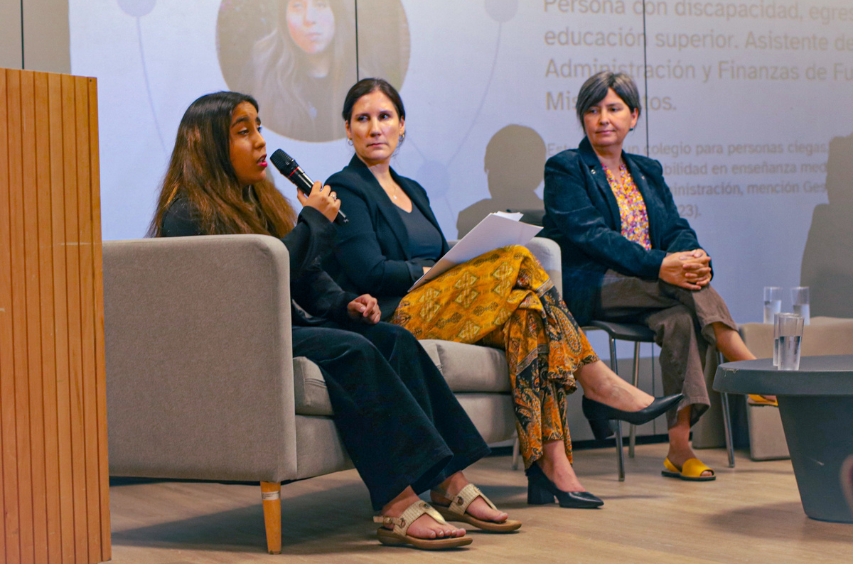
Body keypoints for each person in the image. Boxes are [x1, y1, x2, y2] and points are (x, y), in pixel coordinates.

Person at [148, 91, 523, 550]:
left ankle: (449, 481)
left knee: (391, 338)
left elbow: (304, 278)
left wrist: (346, 303)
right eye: (243, 132)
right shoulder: (187, 213)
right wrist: (313, 225)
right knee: (353, 350)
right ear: (207, 146)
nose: (261, 143)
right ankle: (395, 504)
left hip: (280, 329)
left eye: (259, 128)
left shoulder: (258, 200)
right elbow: (253, 282)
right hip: (239, 341)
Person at [324, 78, 682, 508]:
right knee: (517, 257)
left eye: (385, 117)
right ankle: (595, 377)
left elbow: (443, 256)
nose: (375, 128)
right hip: (393, 315)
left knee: (528, 317)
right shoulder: (346, 187)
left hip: (438, 306)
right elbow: (371, 271)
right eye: (363, 119)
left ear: (402, 125)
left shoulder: (414, 191)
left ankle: (552, 465)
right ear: (348, 129)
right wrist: (430, 270)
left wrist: (457, 260)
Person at [541, 71, 767, 482]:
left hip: (654, 290)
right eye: (592, 111)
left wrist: (692, 256)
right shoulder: (566, 168)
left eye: (613, 109)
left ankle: (680, 450)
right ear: (582, 119)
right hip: (594, 285)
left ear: (634, 116)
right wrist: (663, 266)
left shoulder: (647, 170)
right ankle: (750, 368)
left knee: (682, 320)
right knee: (678, 286)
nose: (603, 119)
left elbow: (674, 227)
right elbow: (592, 237)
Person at [239, 0, 355, 142]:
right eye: (298, 6)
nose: (309, 19)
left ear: (337, 13)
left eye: (320, 5)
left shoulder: (362, 72)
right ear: (284, 17)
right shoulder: (258, 74)